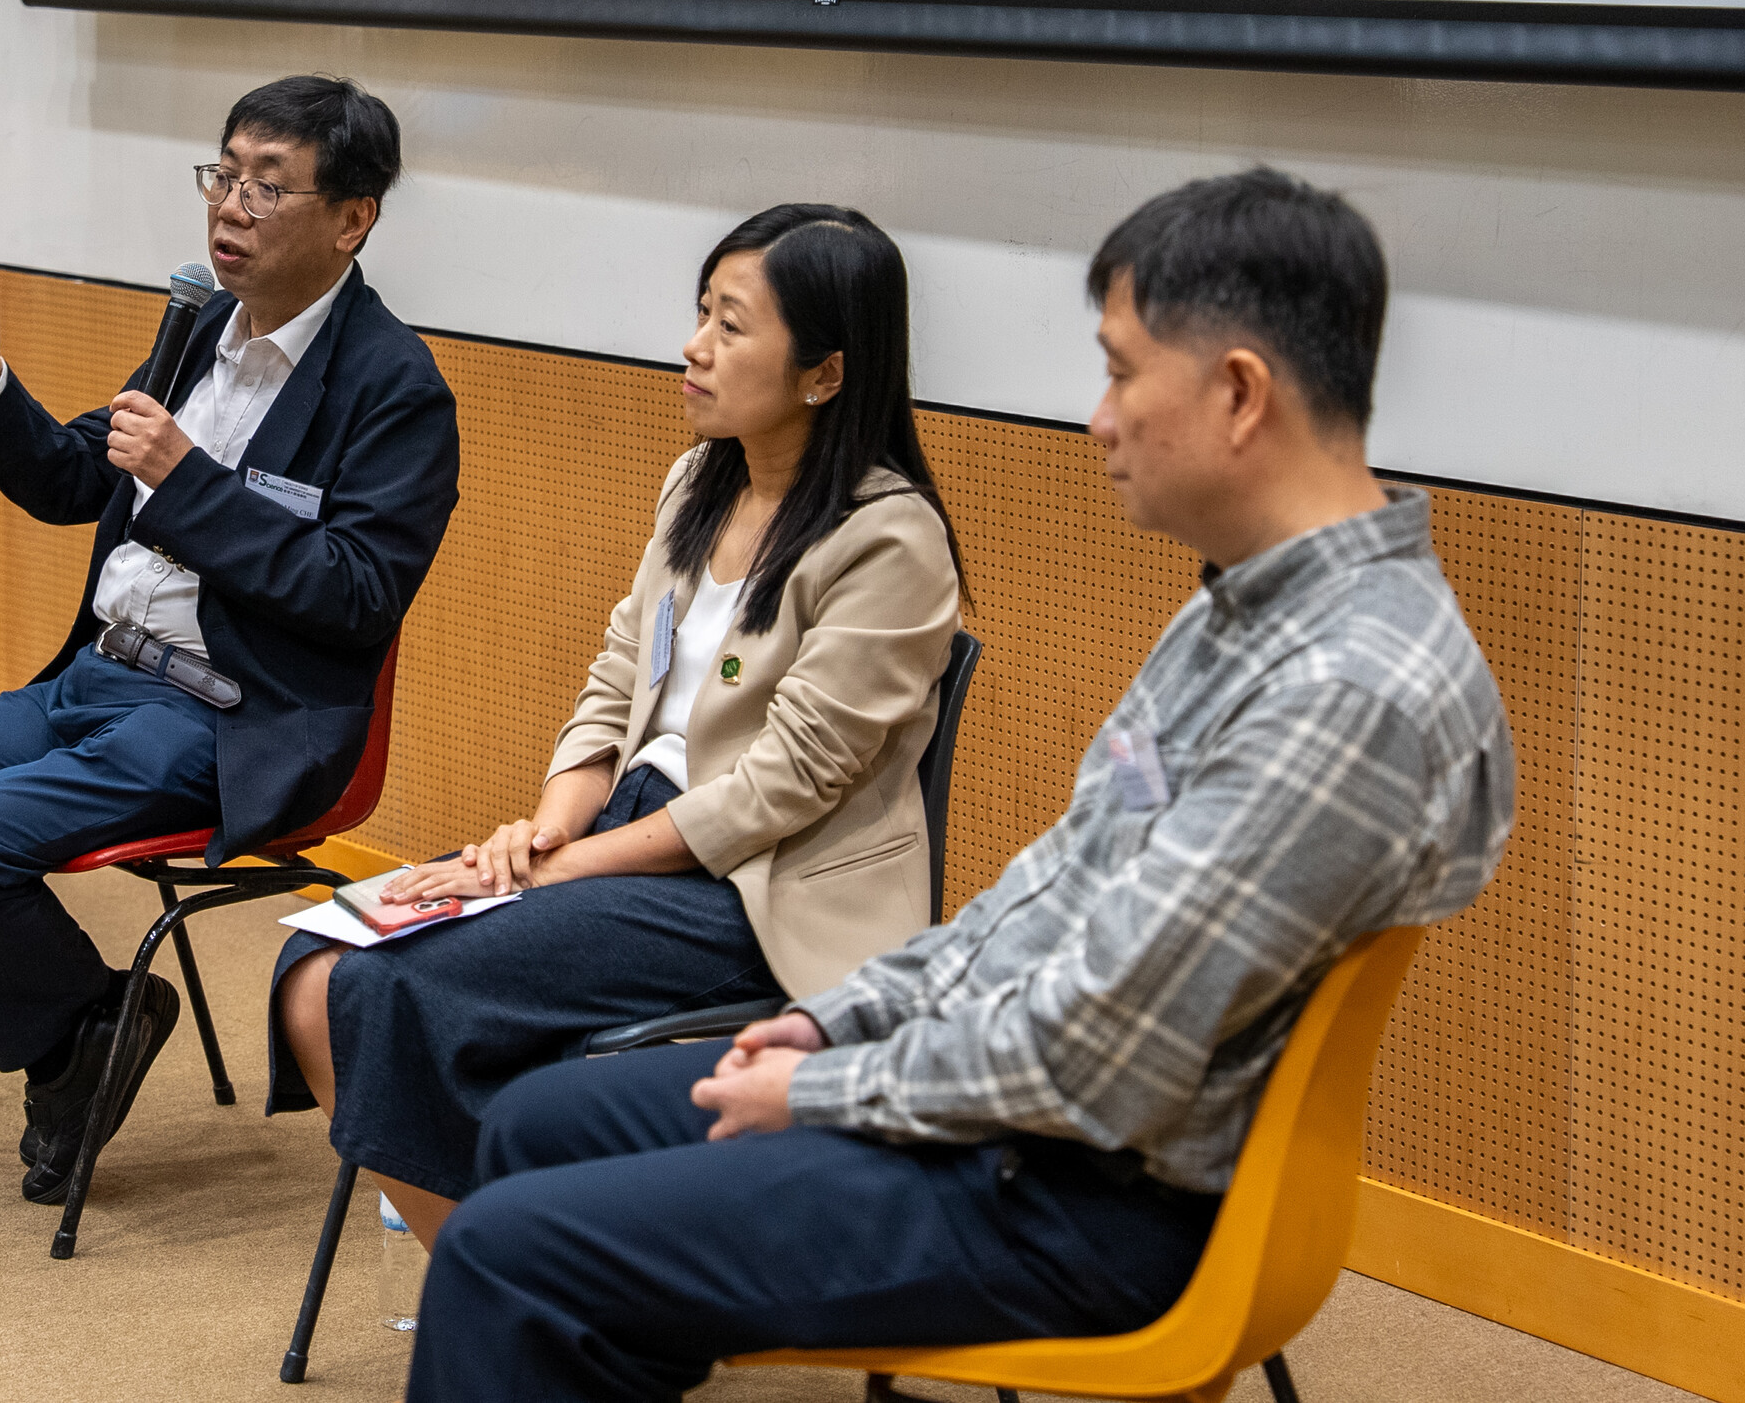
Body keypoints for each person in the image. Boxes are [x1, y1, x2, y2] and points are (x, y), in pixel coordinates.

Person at [409, 167, 1516, 1402]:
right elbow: (1045, 896)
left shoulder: (1344, 690)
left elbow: (1099, 1058)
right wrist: (841, 1018)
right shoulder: (1247, 610)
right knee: (542, 1125)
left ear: (1241, 393)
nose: (1098, 421)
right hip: (1020, 1124)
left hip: (1081, 1195)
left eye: (1121, 373)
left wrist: (823, 1087)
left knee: (511, 1255)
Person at [0, 75, 460, 1204]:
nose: (231, 207)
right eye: (224, 174)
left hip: (231, 716)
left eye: (268, 186)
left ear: (353, 219)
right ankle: (77, 1031)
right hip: (98, 679)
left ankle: (65, 1037)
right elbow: (71, 482)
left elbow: (355, 596)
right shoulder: (198, 329)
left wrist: (189, 483)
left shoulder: (395, 387)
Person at [271, 205, 964, 1249]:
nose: (695, 347)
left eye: (732, 326)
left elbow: (780, 789)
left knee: (374, 984)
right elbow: (614, 687)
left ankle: (509, 1275)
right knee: (314, 969)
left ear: (824, 373)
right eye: (702, 313)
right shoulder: (698, 481)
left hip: (761, 889)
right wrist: (545, 830)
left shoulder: (889, 538)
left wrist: (558, 869)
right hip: (629, 834)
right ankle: (514, 1264)